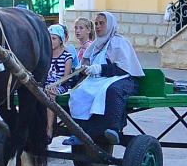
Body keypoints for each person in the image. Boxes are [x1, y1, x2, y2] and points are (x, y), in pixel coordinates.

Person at [65, 11, 144, 146]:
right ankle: (80, 131)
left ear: (110, 25)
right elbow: (86, 64)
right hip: (100, 79)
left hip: (122, 79)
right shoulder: (95, 45)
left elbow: (124, 68)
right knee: (78, 92)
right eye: (96, 24)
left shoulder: (119, 42)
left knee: (112, 91)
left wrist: (100, 69)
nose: (98, 27)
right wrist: (85, 70)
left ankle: (113, 129)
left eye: (102, 23)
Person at [45, 24, 74, 140]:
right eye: (49, 38)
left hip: (61, 85)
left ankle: (49, 128)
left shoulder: (67, 57)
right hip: (46, 84)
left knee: (51, 94)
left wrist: (54, 85)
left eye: (54, 38)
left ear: (61, 40)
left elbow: (65, 78)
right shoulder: (46, 55)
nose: (51, 41)